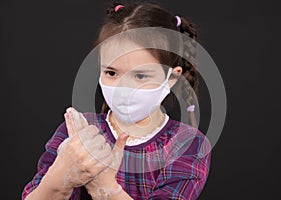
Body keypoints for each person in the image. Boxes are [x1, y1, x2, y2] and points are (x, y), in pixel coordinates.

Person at [22, 1, 211, 199]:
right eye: (111, 72)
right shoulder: (76, 133)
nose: (123, 89)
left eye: (140, 76)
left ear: (171, 78)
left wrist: (105, 187)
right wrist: (60, 175)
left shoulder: (188, 145)